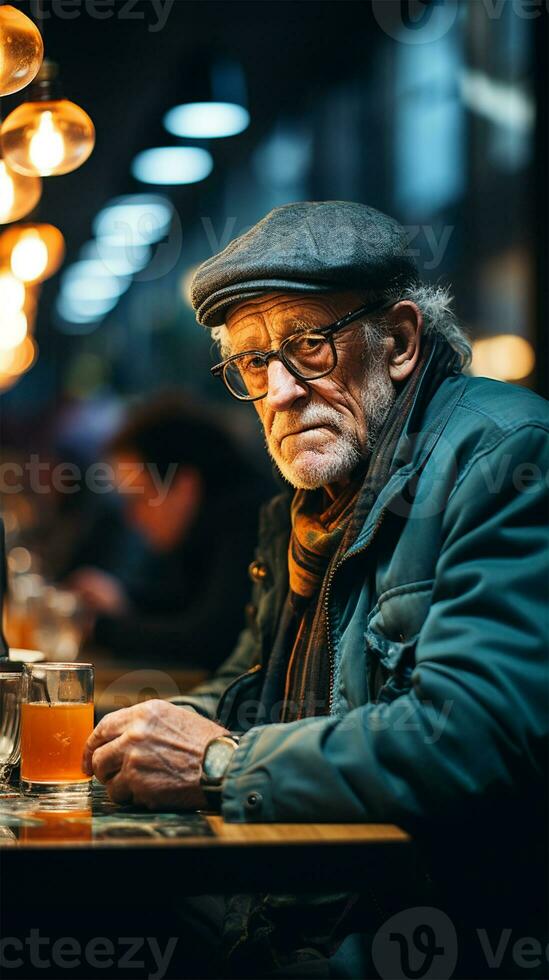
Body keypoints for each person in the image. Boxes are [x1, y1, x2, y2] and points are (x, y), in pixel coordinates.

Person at [84, 202, 549, 978]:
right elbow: (247, 687)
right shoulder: (303, 505)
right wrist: (135, 732)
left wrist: (219, 767)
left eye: (307, 345)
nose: (279, 392)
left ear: (397, 342)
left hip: (426, 929)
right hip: (303, 898)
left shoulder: (501, 455)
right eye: (252, 363)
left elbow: (471, 735)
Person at [69, 393, 269, 670]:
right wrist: (123, 600)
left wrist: (100, 627)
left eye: (137, 498)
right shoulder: (203, 526)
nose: (131, 516)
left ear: (184, 486)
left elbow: (209, 640)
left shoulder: (250, 520)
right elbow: (180, 604)